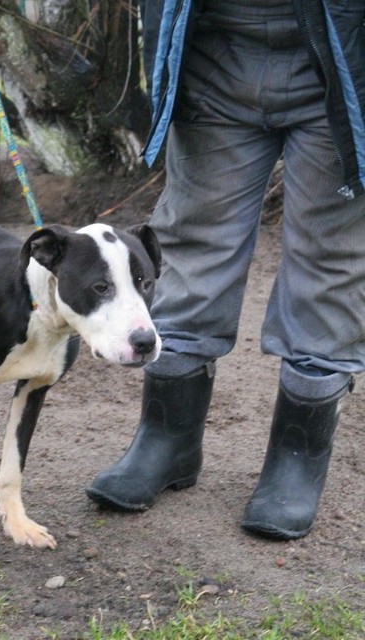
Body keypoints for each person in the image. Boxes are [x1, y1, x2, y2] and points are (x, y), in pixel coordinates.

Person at [86, 0, 365, 541]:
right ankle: (167, 442)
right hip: (213, 48)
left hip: (347, 52)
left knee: (330, 256)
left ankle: (296, 459)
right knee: (192, 239)